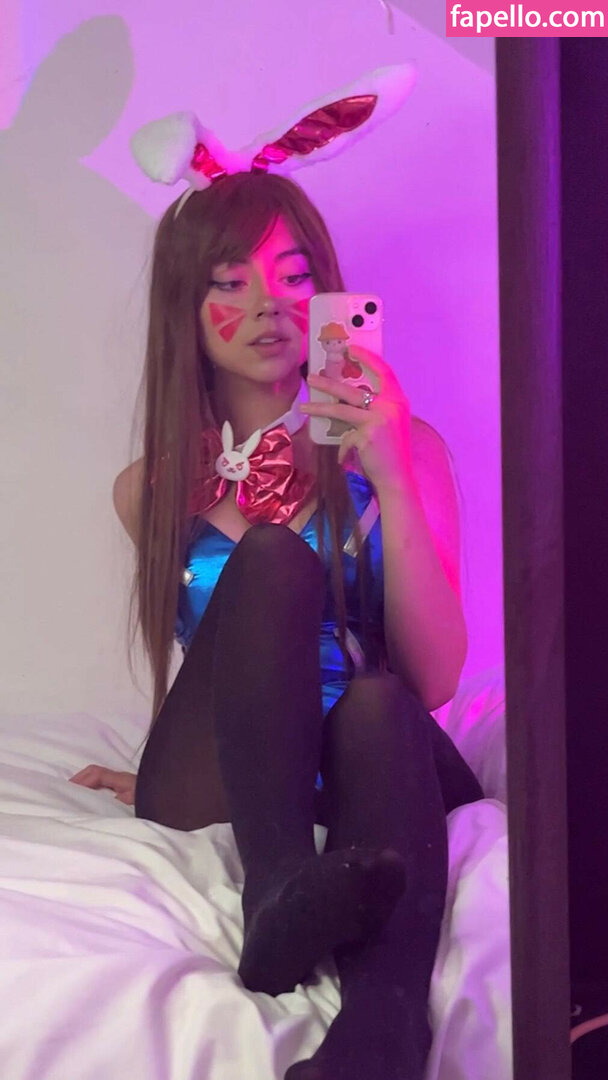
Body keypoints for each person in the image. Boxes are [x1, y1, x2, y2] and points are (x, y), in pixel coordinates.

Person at [69, 68, 484, 1079]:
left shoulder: (406, 448)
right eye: (230, 282)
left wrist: (386, 468)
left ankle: (381, 1033)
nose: (269, 305)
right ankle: (275, 892)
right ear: (187, 306)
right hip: (246, 778)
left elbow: (435, 681)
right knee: (265, 557)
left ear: (328, 294)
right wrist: (160, 757)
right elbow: (221, 666)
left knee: (379, 702)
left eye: (294, 277)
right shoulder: (148, 490)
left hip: (373, 756)